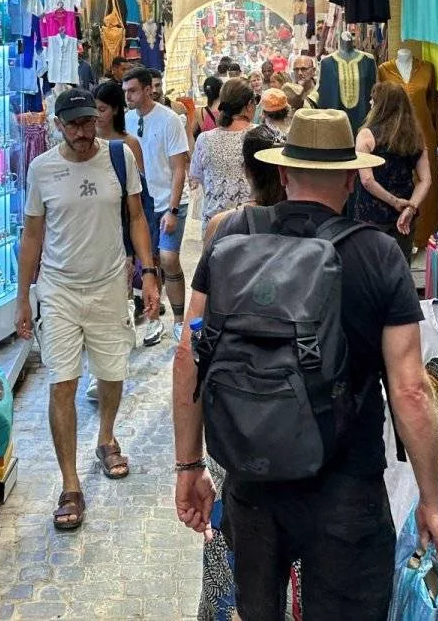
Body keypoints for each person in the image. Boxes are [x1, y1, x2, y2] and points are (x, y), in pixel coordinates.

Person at [173, 109, 438, 621]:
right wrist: (431, 500)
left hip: (252, 479)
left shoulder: (231, 234)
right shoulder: (379, 254)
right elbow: (411, 391)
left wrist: (189, 466)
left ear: (282, 173)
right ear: (350, 177)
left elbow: (189, 354)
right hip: (346, 491)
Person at [16, 89, 161, 532]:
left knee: (112, 372)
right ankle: (70, 484)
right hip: (59, 290)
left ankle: (106, 437)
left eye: (88, 122)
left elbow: (136, 216)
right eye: (73, 124)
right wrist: (24, 296)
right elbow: (33, 236)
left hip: (110, 285)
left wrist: (150, 272)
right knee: (63, 382)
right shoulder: (42, 169)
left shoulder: (120, 158)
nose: (83, 132)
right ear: (58, 126)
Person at [195, 125, 290, 620]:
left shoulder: (223, 228)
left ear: (246, 170)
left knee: (230, 532)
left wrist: (186, 460)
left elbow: (194, 333)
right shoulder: (309, 229)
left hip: (234, 409)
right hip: (292, 415)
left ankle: (224, 611)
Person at [124, 67, 191, 343]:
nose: (127, 96)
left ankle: (178, 319)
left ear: (148, 90)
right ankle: (153, 320)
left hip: (170, 201)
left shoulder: (170, 120)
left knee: (168, 258)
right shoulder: (126, 120)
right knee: (147, 262)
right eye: (125, 91)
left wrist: (173, 210)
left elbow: (179, 168)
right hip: (141, 201)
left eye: (133, 91)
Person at [94, 80, 154, 336]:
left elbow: (139, 198)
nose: (97, 116)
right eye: (93, 109)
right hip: (92, 231)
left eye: (102, 109)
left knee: (120, 296)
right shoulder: (86, 144)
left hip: (122, 231)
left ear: (116, 110)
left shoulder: (128, 145)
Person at [349, 81, 432, 260]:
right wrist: (410, 207)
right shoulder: (416, 136)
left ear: (381, 105)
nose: (370, 103)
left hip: (371, 215)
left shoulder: (366, 135)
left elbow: (367, 180)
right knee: (400, 268)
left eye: (373, 100)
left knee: (371, 270)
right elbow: (426, 180)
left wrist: (394, 201)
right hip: (405, 218)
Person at [187, 79, 257, 223]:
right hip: (249, 221)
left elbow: (197, 176)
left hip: (215, 223)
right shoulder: (260, 135)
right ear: (249, 105)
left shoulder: (205, 139)